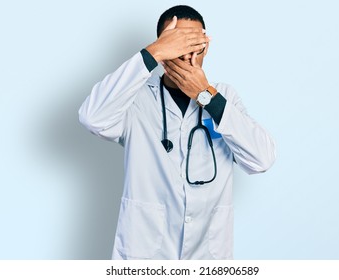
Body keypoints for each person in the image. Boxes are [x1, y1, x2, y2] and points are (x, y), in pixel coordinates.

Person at [78, 5, 276, 260]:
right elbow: (92, 118)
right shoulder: (135, 98)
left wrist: (207, 96)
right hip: (146, 256)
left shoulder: (224, 97)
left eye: (193, 42)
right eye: (176, 42)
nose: (185, 53)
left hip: (207, 256)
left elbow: (262, 159)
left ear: (206, 46)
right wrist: (154, 52)